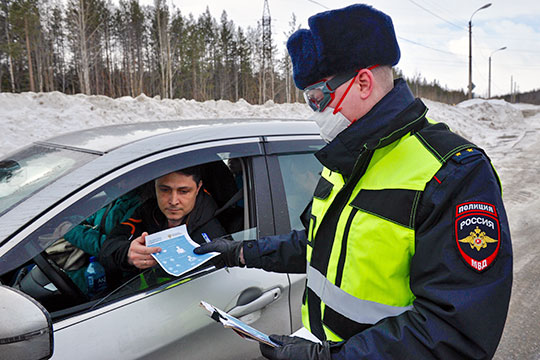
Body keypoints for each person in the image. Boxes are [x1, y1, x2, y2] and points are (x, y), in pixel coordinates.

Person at [195, 4, 512, 360]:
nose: (316, 114)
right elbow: (321, 246)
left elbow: (456, 329)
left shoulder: (452, 172)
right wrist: (242, 252)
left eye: (317, 99)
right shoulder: (346, 157)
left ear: (362, 82)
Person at [99, 166, 226, 279]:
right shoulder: (147, 212)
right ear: (155, 186)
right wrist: (127, 254)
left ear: (198, 188)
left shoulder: (213, 234)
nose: (173, 201)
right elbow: (107, 248)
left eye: (183, 191)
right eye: (165, 190)